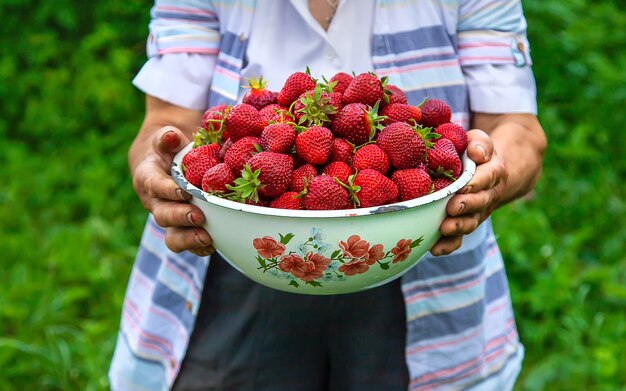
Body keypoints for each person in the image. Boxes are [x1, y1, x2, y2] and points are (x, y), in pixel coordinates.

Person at [109, 0, 547, 390]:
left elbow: (518, 130)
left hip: (421, 256)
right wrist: (159, 165)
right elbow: (166, 121)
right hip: (232, 249)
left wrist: (488, 174)